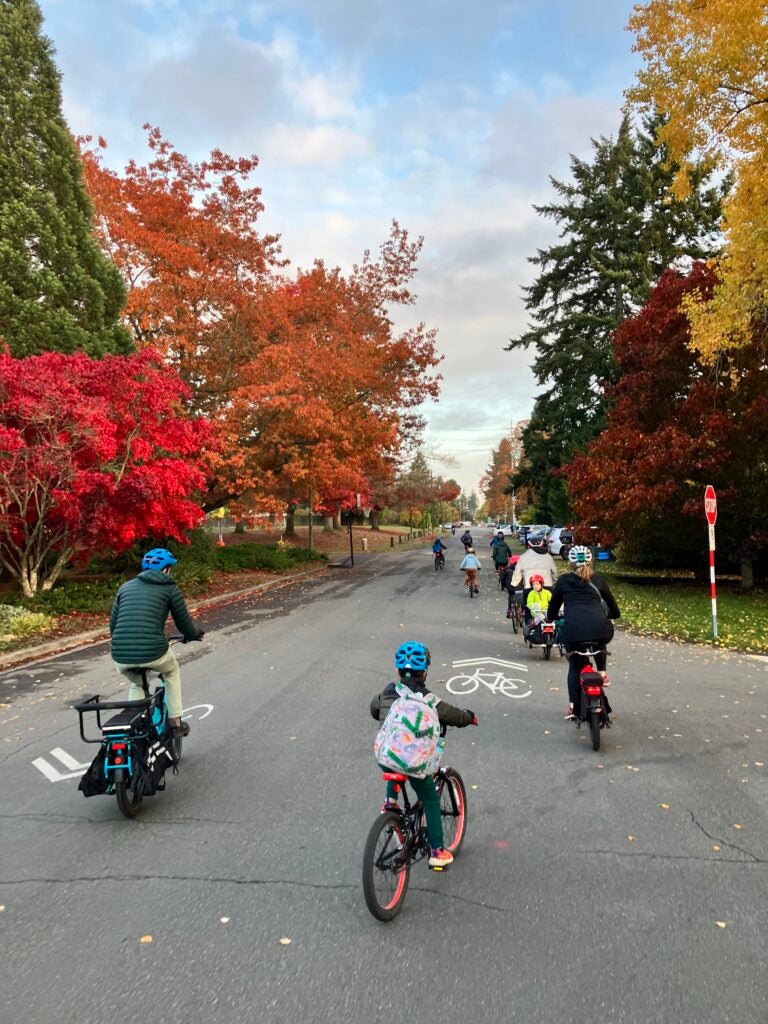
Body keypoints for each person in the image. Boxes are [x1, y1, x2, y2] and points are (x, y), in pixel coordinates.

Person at [370, 641, 477, 868]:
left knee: (393, 761)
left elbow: (374, 708)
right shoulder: (429, 699)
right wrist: (469, 717)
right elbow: (454, 715)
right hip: (414, 763)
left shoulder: (388, 692)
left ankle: (390, 803)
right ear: (425, 671)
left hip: (386, 757)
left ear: (398, 670)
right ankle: (437, 851)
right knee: (428, 796)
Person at [110, 548, 204, 736]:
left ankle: (132, 724)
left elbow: (113, 626)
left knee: (137, 683)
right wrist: (194, 634)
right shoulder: (169, 588)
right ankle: (176, 722)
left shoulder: (125, 587)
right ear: (166, 569)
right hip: (154, 651)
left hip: (120, 654)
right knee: (171, 671)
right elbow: (184, 623)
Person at [545, 546, 620, 720]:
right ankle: (602, 672)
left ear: (570, 563)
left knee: (575, 666)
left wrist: (554, 618)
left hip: (573, 631)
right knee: (599, 637)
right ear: (590, 561)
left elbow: (552, 611)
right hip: (601, 629)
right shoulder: (599, 580)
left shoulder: (563, 581)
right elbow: (615, 612)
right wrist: (606, 615)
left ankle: (573, 706)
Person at [512, 537, 558, 633]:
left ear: (529, 545)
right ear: (542, 545)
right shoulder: (548, 557)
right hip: (548, 586)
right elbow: (554, 573)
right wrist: (554, 582)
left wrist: (514, 584)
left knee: (529, 609)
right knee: (551, 607)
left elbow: (517, 573)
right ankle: (553, 626)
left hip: (530, 586)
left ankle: (530, 629)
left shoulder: (523, 557)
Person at [525, 574, 552, 639]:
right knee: (538, 610)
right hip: (536, 611)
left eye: (537, 584)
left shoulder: (547, 592)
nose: (535, 586)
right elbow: (529, 603)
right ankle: (532, 623)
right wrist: (534, 606)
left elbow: (552, 600)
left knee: (550, 614)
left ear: (541, 584)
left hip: (546, 610)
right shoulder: (531, 593)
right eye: (533, 584)